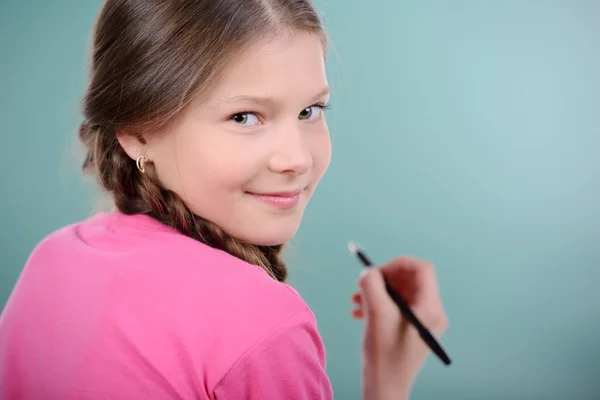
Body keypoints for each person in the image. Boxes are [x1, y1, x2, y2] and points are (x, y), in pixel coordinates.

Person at [0, 0, 448, 399]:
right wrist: (387, 386)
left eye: (310, 111)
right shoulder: (261, 327)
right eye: (245, 116)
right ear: (138, 133)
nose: (295, 159)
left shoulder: (53, 257)